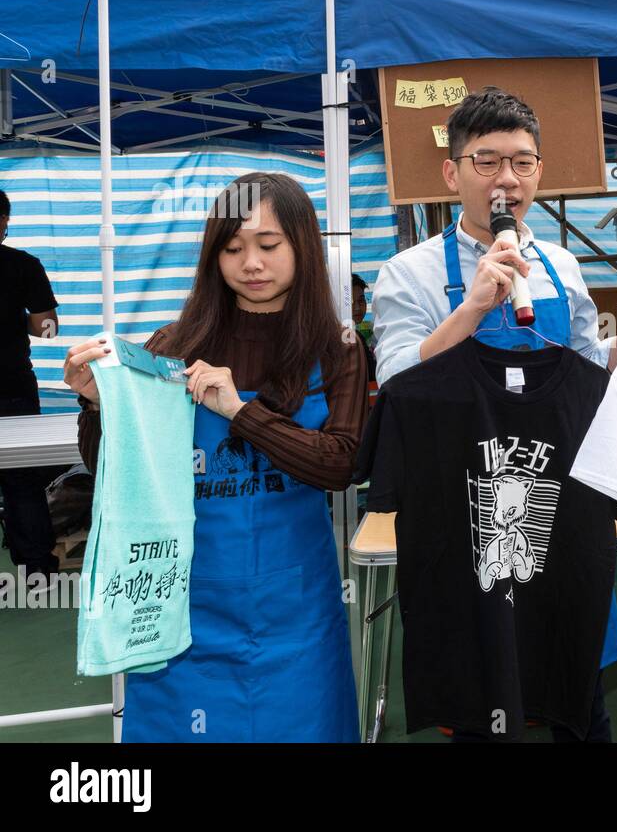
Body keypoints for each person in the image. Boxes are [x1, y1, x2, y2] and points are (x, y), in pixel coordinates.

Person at [370, 87, 617, 742]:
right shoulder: (407, 274)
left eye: (521, 161)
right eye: (485, 161)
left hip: (558, 508)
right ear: (451, 173)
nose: (505, 179)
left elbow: (586, 379)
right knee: (481, 696)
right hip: (460, 517)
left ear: (540, 172)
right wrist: (472, 307)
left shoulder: (562, 267)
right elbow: (398, 384)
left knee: (575, 696)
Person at [64, 172, 366, 742]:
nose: (251, 263)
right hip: (184, 610)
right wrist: (98, 407)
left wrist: (239, 412)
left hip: (295, 611)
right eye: (232, 248)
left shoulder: (338, 349)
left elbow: (340, 464)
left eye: (269, 245)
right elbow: (118, 470)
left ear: (303, 245)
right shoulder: (170, 346)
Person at [0, 188, 61, 579]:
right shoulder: (23, 264)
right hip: (12, 386)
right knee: (22, 480)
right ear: (3, 221)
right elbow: (49, 329)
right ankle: (36, 570)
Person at [351, 272, 377, 384]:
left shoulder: (358, 335)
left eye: (361, 300)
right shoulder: (349, 337)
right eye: (351, 302)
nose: (357, 308)